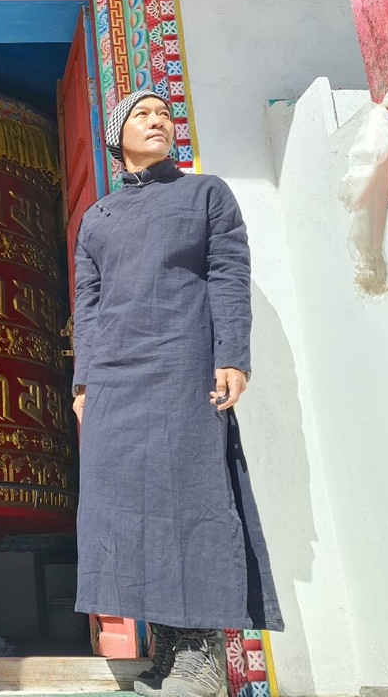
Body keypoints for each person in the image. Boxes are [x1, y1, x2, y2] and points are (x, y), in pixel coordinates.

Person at [70, 90, 284, 697]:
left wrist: (232, 356)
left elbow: (228, 274)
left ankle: (201, 657)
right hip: (115, 376)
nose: (158, 120)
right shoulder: (97, 218)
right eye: (142, 114)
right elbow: (88, 302)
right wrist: (84, 380)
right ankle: (166, 649)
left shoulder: (206, 194)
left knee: (188, 497)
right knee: (123, 506)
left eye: (164, 114)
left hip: (182, 365)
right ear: (117, 138)